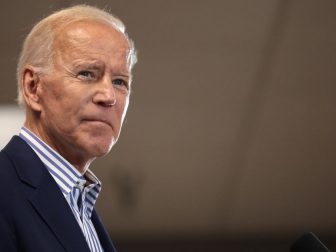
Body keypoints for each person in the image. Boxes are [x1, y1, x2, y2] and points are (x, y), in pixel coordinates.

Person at [0, 4, 137, 252]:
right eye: (86, 74)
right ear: (33, 88)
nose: (108, 96)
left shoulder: (81, 204)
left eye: (120, 81)